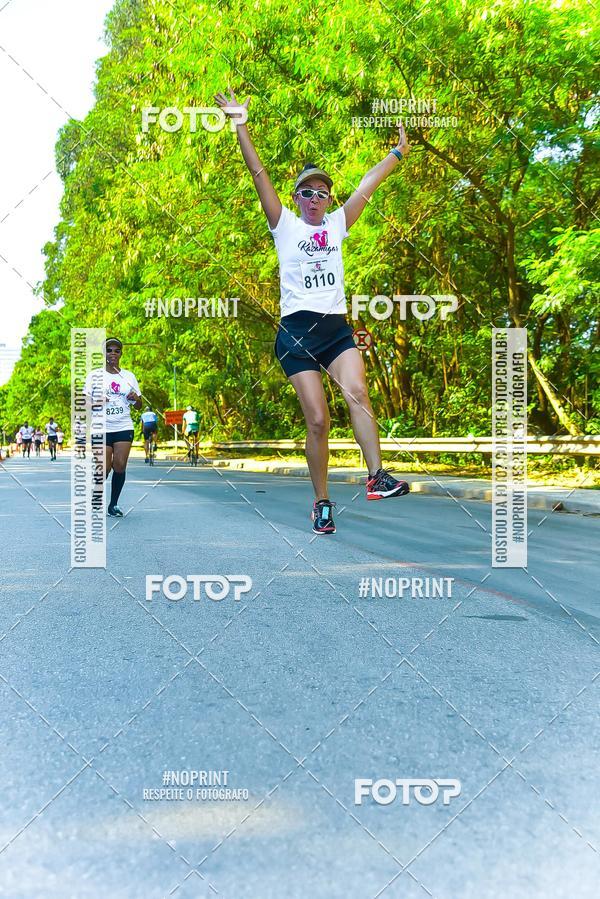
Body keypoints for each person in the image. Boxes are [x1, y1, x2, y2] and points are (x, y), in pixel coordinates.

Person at [215, 86, 410, 534]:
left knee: (358, 393)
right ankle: (322, 502)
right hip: (297, 335)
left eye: (323, 192)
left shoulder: (339, 223)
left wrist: (398, 153)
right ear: (297, 198)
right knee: (318, 421)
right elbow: (258, 173)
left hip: (336, 329)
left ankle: (377, 476)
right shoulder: (284, 226)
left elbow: (367, 184)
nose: (317, 197)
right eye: (308, 191)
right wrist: (240, 123)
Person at [83, 337, 142, 516]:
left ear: (121, 354)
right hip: (101, 427)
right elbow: (84, 403)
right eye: (109, 350)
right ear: (104, 353)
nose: (113, 354)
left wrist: (135, 399)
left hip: (123, 425)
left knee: (120, 465)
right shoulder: (94, 375)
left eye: (117, 350)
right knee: (103, 467)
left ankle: (113, 505)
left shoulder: (129, 376)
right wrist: (96, 401)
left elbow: (139, 405)